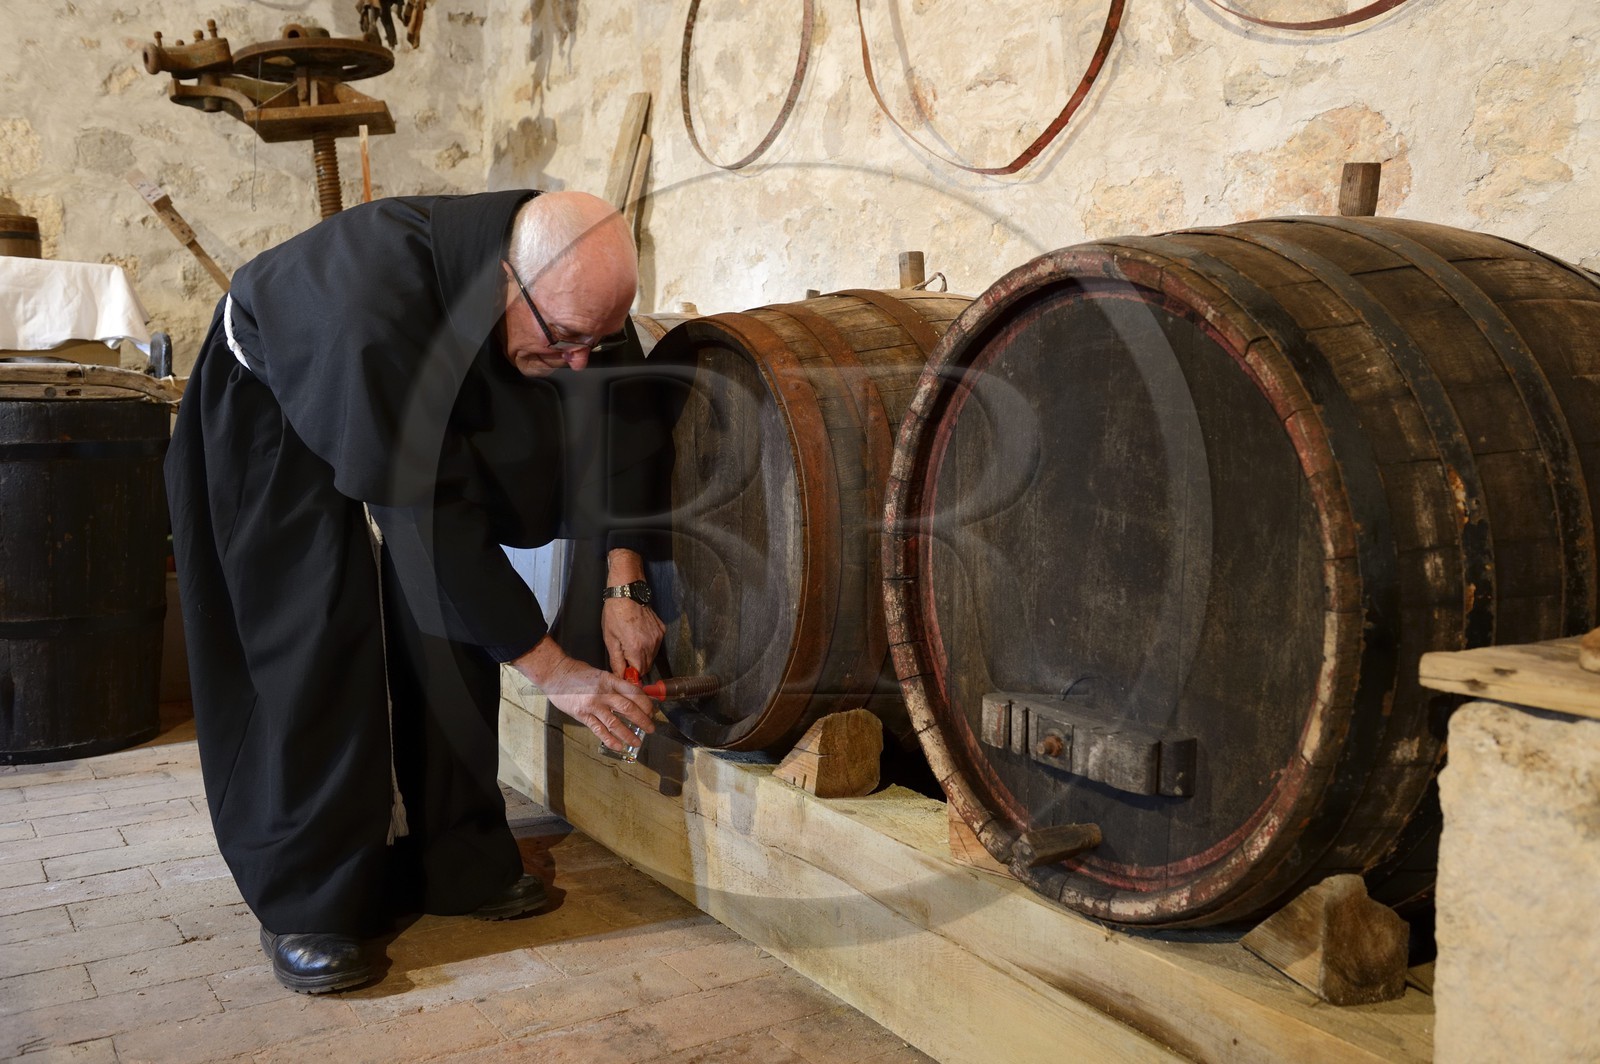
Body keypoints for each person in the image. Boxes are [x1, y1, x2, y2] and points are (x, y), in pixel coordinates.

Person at [165, 189, 681, 994]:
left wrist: (626, 581)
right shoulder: (366, 314)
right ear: (508, 281)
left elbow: (623, 424)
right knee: (311, 630)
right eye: (565, 338)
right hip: (273, 395)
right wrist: (555, 672)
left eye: (599, 338)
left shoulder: (572, 291)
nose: (582, 359)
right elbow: (429, 525)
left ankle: (458, 855)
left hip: (410, 381)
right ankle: (310, 898)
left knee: (447, 630)